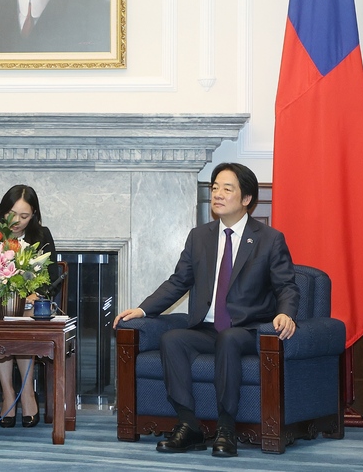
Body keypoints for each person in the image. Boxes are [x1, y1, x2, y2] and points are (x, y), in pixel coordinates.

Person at [113, 162, 299, 458]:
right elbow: (178, 282)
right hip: (207, 328)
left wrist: (286, 313)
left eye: (227, 188)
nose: (218, 194)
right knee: (172, 339)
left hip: (248, 330)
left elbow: (286, 286)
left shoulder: (268, 239)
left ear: (247, 199)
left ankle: (227, 428)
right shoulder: (200, 237)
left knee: (229, 339)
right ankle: (189, 426)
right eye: (214, 188)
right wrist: (143, 309)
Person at [0, 184, 59, 428]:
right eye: (11, 214)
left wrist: (35, 293)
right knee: (1, 320)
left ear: (34, 216)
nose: (16, 221)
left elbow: (52, 277)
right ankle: (9, 392)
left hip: (30, 306)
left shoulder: (42, 236)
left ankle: (27, 392)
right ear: (2, 212)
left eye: (24, 216)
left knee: (23, 316)